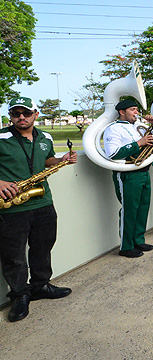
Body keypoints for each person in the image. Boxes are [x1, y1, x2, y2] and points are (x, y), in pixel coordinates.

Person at [0, 96, 77, 322]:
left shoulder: (46, 137)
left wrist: (60, 160)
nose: (21, 117)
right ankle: (19, 295)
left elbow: (46, 160)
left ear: (36, 114)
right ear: (10, 116)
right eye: (16, 114)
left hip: (42, 201)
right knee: (13, 255)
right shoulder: (2, 137)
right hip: (12, 206)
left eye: (26, 113)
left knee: (43, 246)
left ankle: (40, 285)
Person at [104, 99, 153, 258]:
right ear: (122, 112)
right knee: (129, 210)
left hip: (143, 171)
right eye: (133, 110)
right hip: (128, 174)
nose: (137, 113)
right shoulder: (113, 129)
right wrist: (139, 143)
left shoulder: (137, 125)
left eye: (136, 109)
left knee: (143, 208)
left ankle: (138, 240)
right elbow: (113, 153)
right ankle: (126, 246)